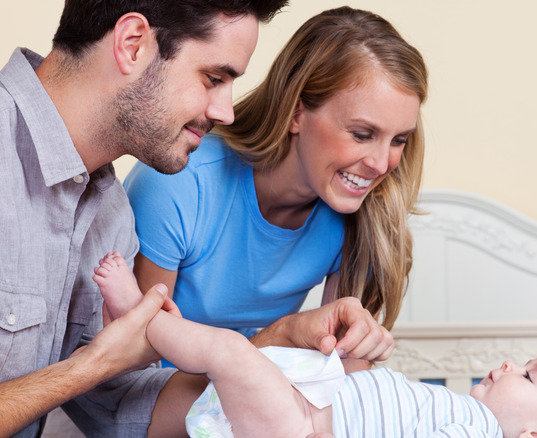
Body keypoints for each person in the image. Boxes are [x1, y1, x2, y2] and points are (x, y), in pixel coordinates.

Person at [0, 1, 397, 437]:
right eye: (214, 78)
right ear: (132, 45)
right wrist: (91, 366)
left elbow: (119, 408)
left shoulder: (109, 213)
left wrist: (269, 344)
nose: (226, 112)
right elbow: (96, 375)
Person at [123, 6, 428, 358]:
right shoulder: (180, 183)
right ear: (297, 113)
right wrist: (280, 336)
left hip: (260, 401)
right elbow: (132, 368)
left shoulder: (367, 217)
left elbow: (341, 371)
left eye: (399, 140)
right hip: (158, 402)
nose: (380, 164)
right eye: (362, 134)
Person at [94, 252, 537, 438]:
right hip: (304, 405)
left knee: (229, 354)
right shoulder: (465, 415)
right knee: (230, 361)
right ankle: (155, 323)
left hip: (298, 427)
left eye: (529, 374)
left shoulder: (475, 431)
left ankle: (139, 320)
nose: (509, 365)